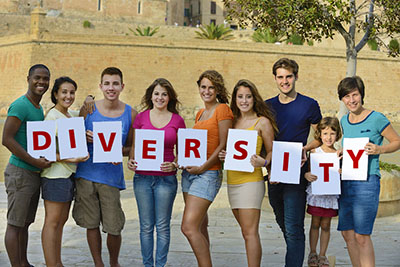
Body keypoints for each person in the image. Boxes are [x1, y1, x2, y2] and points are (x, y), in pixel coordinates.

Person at [72, 67, 137, 267]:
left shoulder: (131, 113)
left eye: (115, 83)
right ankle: (98, 263)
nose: (111, 88)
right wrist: (83, 136)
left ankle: (114, 262)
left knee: (114, 226)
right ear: (100, 86)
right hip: (86, 175)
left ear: (122, 86)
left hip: (111, 178)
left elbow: (131, 147)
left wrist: (121, 152)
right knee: (91, 224)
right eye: (107, 84)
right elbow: (73, 139)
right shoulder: (88, 109)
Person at [337, 76, 400, 267]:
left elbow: (397, 141)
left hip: (367, 181)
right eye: (346, 96)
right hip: (346, 181)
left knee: (362, 235)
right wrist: (341, 152)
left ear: (361, 95)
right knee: (347, 233)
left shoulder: (377, 118)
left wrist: (379, 149)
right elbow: (351, 149)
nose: (351, 100)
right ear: (342, 99)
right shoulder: (344, 121)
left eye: (355, 95)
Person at [265, 58, 322, 267]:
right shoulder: (267, 106)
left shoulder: (309, 105)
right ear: (275, 79)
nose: (284, 81)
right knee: (283, 222)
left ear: (296, 77)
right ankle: (296, 251)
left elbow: (320, 137)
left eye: (288, 76)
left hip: (297, 173)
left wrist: (305, 149)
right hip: (273, 174)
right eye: (280, 77)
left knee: (294, 227)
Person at [127, 78, 186, 267]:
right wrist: (131, 161)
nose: (160, 97)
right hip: (142, 178)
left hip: (166, 180)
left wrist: (175, 164)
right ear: (151, 96)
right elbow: (135, 147)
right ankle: (147, 265)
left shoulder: (178, 120)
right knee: (145, 227)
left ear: (169, 97)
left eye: (164, 94)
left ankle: (160, 265)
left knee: (162, 227)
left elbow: (183, 151)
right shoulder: (141, 118)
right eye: (157, 93)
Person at [218, 79, 277, 267]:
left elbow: (272, 150)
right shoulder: (232, 122)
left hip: (251, 182)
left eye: (248, 97)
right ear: (235, 99)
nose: (244, 101)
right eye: (240, 97)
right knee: (245, 231)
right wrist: (224, 154)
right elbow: (232, 151)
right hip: (233, 181)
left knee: (250, 232)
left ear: (254, 99)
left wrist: (265, 162)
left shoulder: (262, 122)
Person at [181, 70, 233, 267]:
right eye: (203, 87)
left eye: (211, 87)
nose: (207, 91)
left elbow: (223, 143)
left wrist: (203, 166)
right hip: (190, 174)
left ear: (218, 89)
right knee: (200, 226)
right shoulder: (200, 113)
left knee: (188, 227)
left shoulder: (223, 110)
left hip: (208, 174)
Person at [2, 64, 52, 267]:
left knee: (25, 223)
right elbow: (6, 139)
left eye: (45, 79)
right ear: (28, 79)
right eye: (37, 78)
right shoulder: (21, 105)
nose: (41, 82)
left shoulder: (38, 108)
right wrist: (33, 161)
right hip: (20, 172)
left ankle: (24, 262)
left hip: (32, 173)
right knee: (15, 224)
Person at [40, 76, 90, 267]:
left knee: (60, 222)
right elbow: (43, 152)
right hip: (55, 176)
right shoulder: (52, 117)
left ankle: (57, 262)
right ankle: (52, 264)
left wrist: (90, 98)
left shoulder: (70, 115)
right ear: (55, 94)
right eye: (64, 92)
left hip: (68, 176)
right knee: (52, 222)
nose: (68, 96)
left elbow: (84, 112)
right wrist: (71, 158)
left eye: (71, 92)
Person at [304, 117, 341, 267]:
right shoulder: (314, 152)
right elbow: (307, 171)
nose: (328, 137)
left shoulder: (338, 154)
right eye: (325, 133)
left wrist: (340, 172)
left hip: (330, 195)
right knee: (315, 223)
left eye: (332, 134)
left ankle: (322, 254)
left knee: (326, 225)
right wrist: (307, 175)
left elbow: (342, 175)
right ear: (319, 134)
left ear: (337, 135)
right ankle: (312, 252)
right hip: (317, 194)